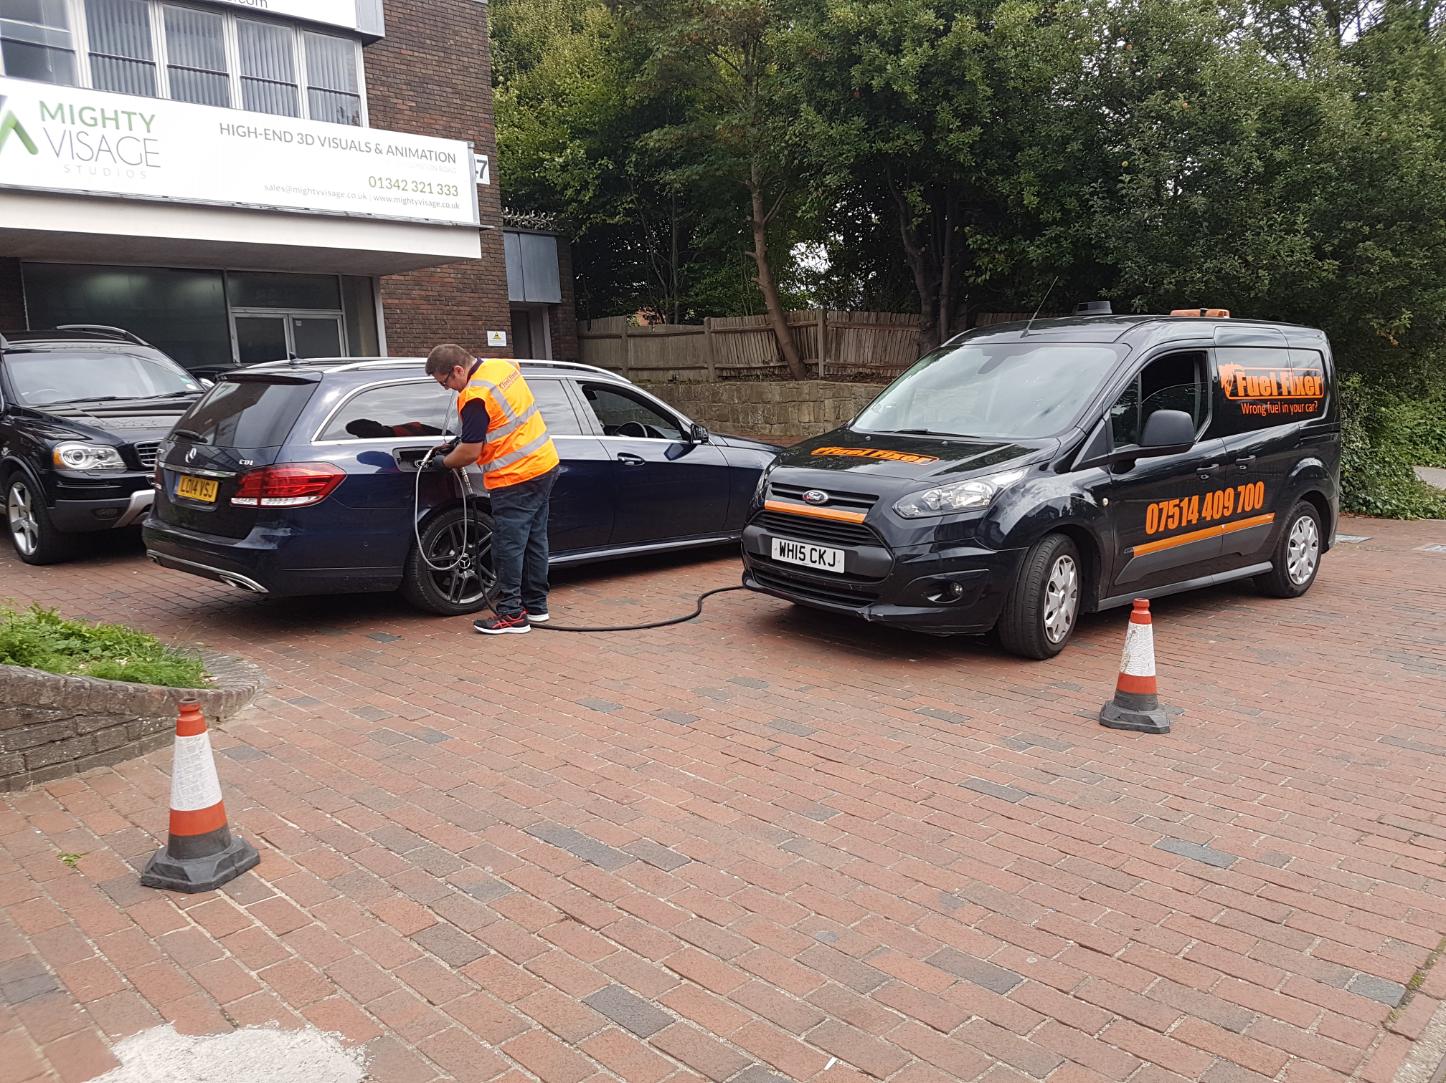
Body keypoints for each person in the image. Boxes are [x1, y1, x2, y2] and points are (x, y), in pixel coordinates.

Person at [424, 344, 560, 634]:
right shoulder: (502, 367)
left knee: (507, 546)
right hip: (544, 464)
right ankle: (536, 607)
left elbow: (471, 453)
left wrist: (444, 462)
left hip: (515, 477)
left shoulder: (473, 396)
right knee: (535, 539)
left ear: (458, 370)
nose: (448, 389)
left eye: (445, 382)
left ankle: (512, 614)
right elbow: (498, 418)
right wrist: (462, 437)